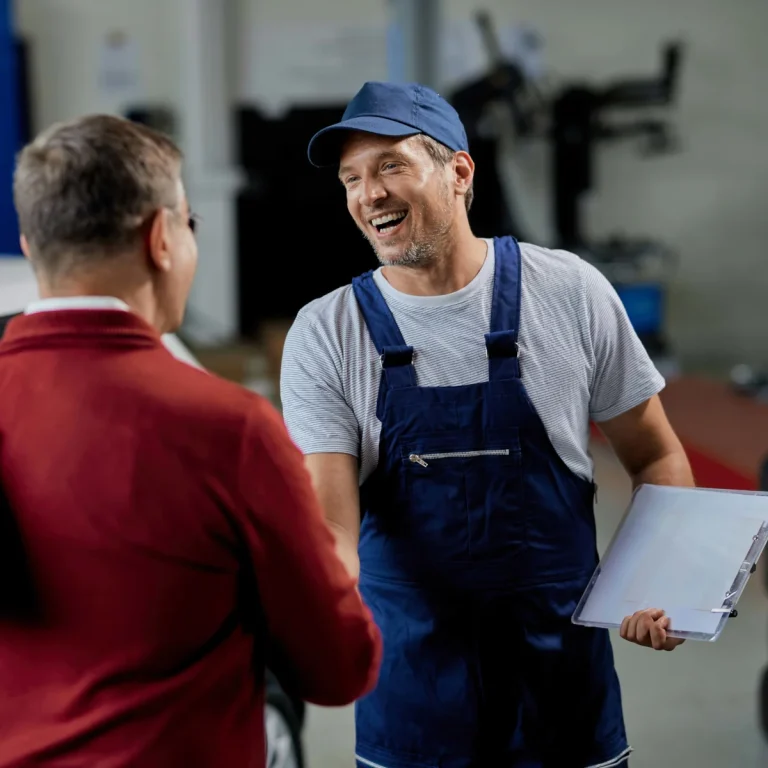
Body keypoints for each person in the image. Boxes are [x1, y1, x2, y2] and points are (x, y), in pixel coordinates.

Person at [280, 81, 695, 768]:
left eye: (390, 166)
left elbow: (655, 455)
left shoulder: (568, 293)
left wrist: (661, 582)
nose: (368, 194)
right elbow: (331, 525)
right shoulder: (328, 332)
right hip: (411, 708)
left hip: (566, 701)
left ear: (460, 172)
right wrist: (305, 607)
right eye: (352, 178)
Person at [0, 114, 382, 767]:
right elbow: (339, 668)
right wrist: (333, 559)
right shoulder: (227, 428)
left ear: (33, 248)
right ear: (161, 239)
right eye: (190, 223)